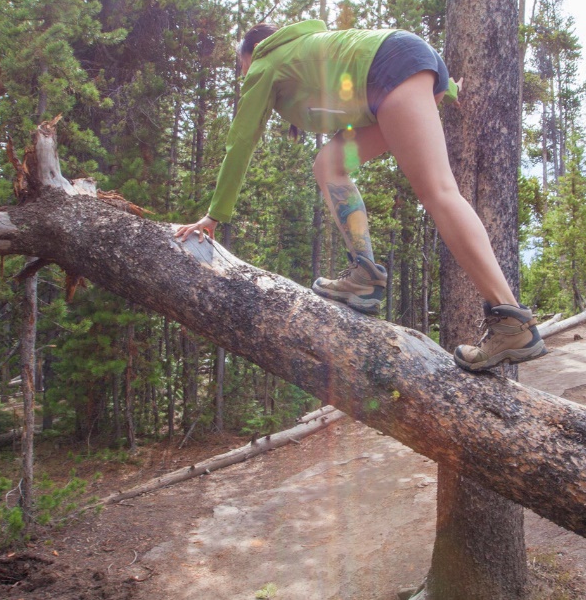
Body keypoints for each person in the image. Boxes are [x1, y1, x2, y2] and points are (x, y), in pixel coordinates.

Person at [174, 20, 547, 373]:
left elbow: (240, 141)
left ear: (251, 54)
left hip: (393, 72)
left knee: (439, 192)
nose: (244, 78)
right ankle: (364, 275)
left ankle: (511, 321)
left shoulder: (265, 64)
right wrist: (445, 90)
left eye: (242, 70)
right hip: (402, 71)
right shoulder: (303, 52)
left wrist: (214, 215)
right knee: (329, 164)